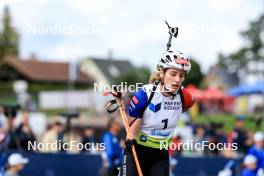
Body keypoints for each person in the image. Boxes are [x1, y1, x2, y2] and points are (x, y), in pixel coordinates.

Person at [120, 50, 195, 176]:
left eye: (181, 75)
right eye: (173, 74)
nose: (177, 79)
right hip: (137, 150)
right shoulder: (145, 95)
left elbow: (184, 108)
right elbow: (131, 132)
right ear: (162, 73)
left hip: (161, 153)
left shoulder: (185, 97)